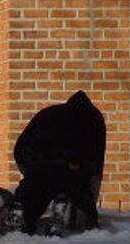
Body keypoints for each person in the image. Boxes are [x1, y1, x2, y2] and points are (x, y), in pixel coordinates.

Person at [13, 90, 106, 233]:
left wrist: (30, 170)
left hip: (39, 165)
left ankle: (21, 214)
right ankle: (63, 213)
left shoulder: (48, 114)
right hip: (72, 168)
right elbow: (95, 162)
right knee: (76, 191)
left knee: (33, 191)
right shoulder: (93, 119)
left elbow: (21, 149)